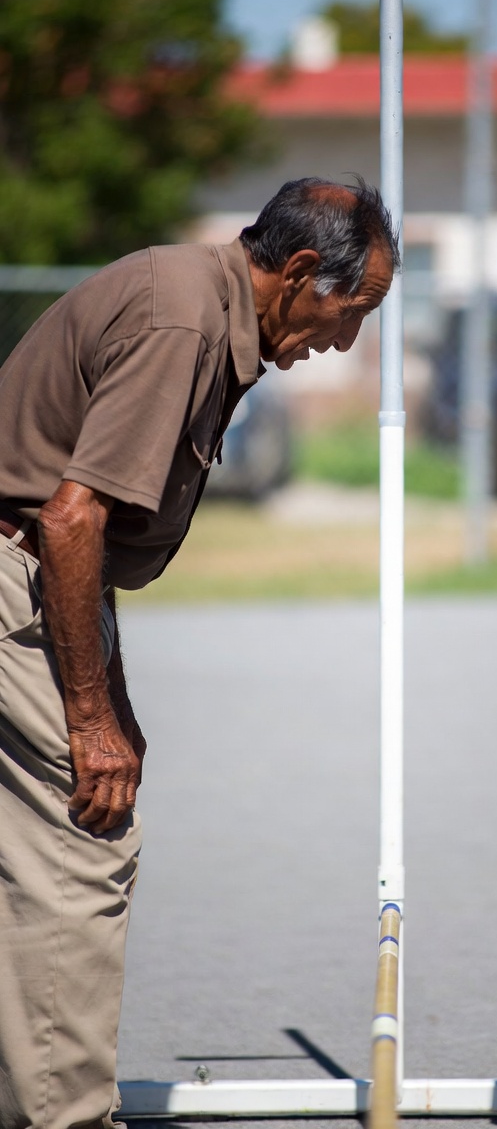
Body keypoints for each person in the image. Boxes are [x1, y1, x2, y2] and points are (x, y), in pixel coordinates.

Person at [0, 176, 399, 1129]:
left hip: (36, 577)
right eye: (353, 309)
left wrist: (116, 704)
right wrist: (89, 722)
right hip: (15, 572)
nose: (347, 339)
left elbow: (82, 542)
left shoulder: (199, 305)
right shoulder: (183, 323)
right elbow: (68, 521)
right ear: (301, 272)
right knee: (79, 844)